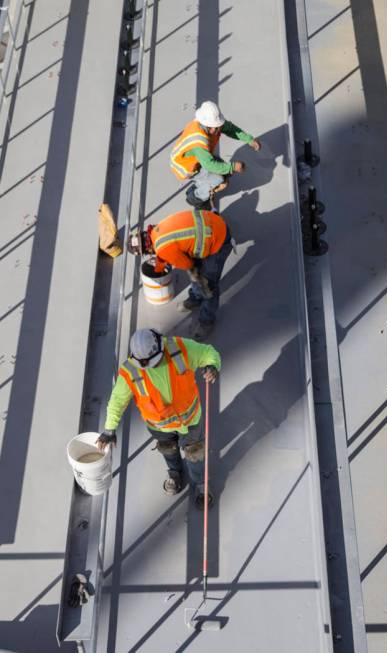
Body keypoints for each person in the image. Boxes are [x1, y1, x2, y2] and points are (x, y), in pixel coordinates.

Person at [97, 328, 220, 507]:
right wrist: (109, 429)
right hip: (160, 428)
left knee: (194, 453)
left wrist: (212, 366)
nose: (151, 366)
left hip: (191, 421)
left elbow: (208, 352)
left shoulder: (180, 348)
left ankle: (200, 483)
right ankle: (175, 473)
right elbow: (117, 400)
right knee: (168, 450)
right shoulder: (130, 372)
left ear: (161, 348)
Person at [128, 209, 233, 341]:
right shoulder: (157, 230)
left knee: (207, 285)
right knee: (196, 272)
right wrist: (159, 265)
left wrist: (196, 275)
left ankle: (207, 321)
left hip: (219, 240)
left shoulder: (164, 249)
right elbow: (170, 248)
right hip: (211, 224)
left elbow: (187, 264)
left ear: (147, 249)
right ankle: (195, 298)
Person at [170, 100, 261, 208]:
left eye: (217, 126)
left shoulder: (214, 125)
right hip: (186, 166)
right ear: (205, 124)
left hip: (201, 158)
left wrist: (249, 140)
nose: (216, 129)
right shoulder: (198, 140)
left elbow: (231, 129)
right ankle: (195, 198)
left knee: (221, 170)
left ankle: (203, 185)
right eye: (212, 127)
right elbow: (209, 164)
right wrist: (232, 167)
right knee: (218, 179)